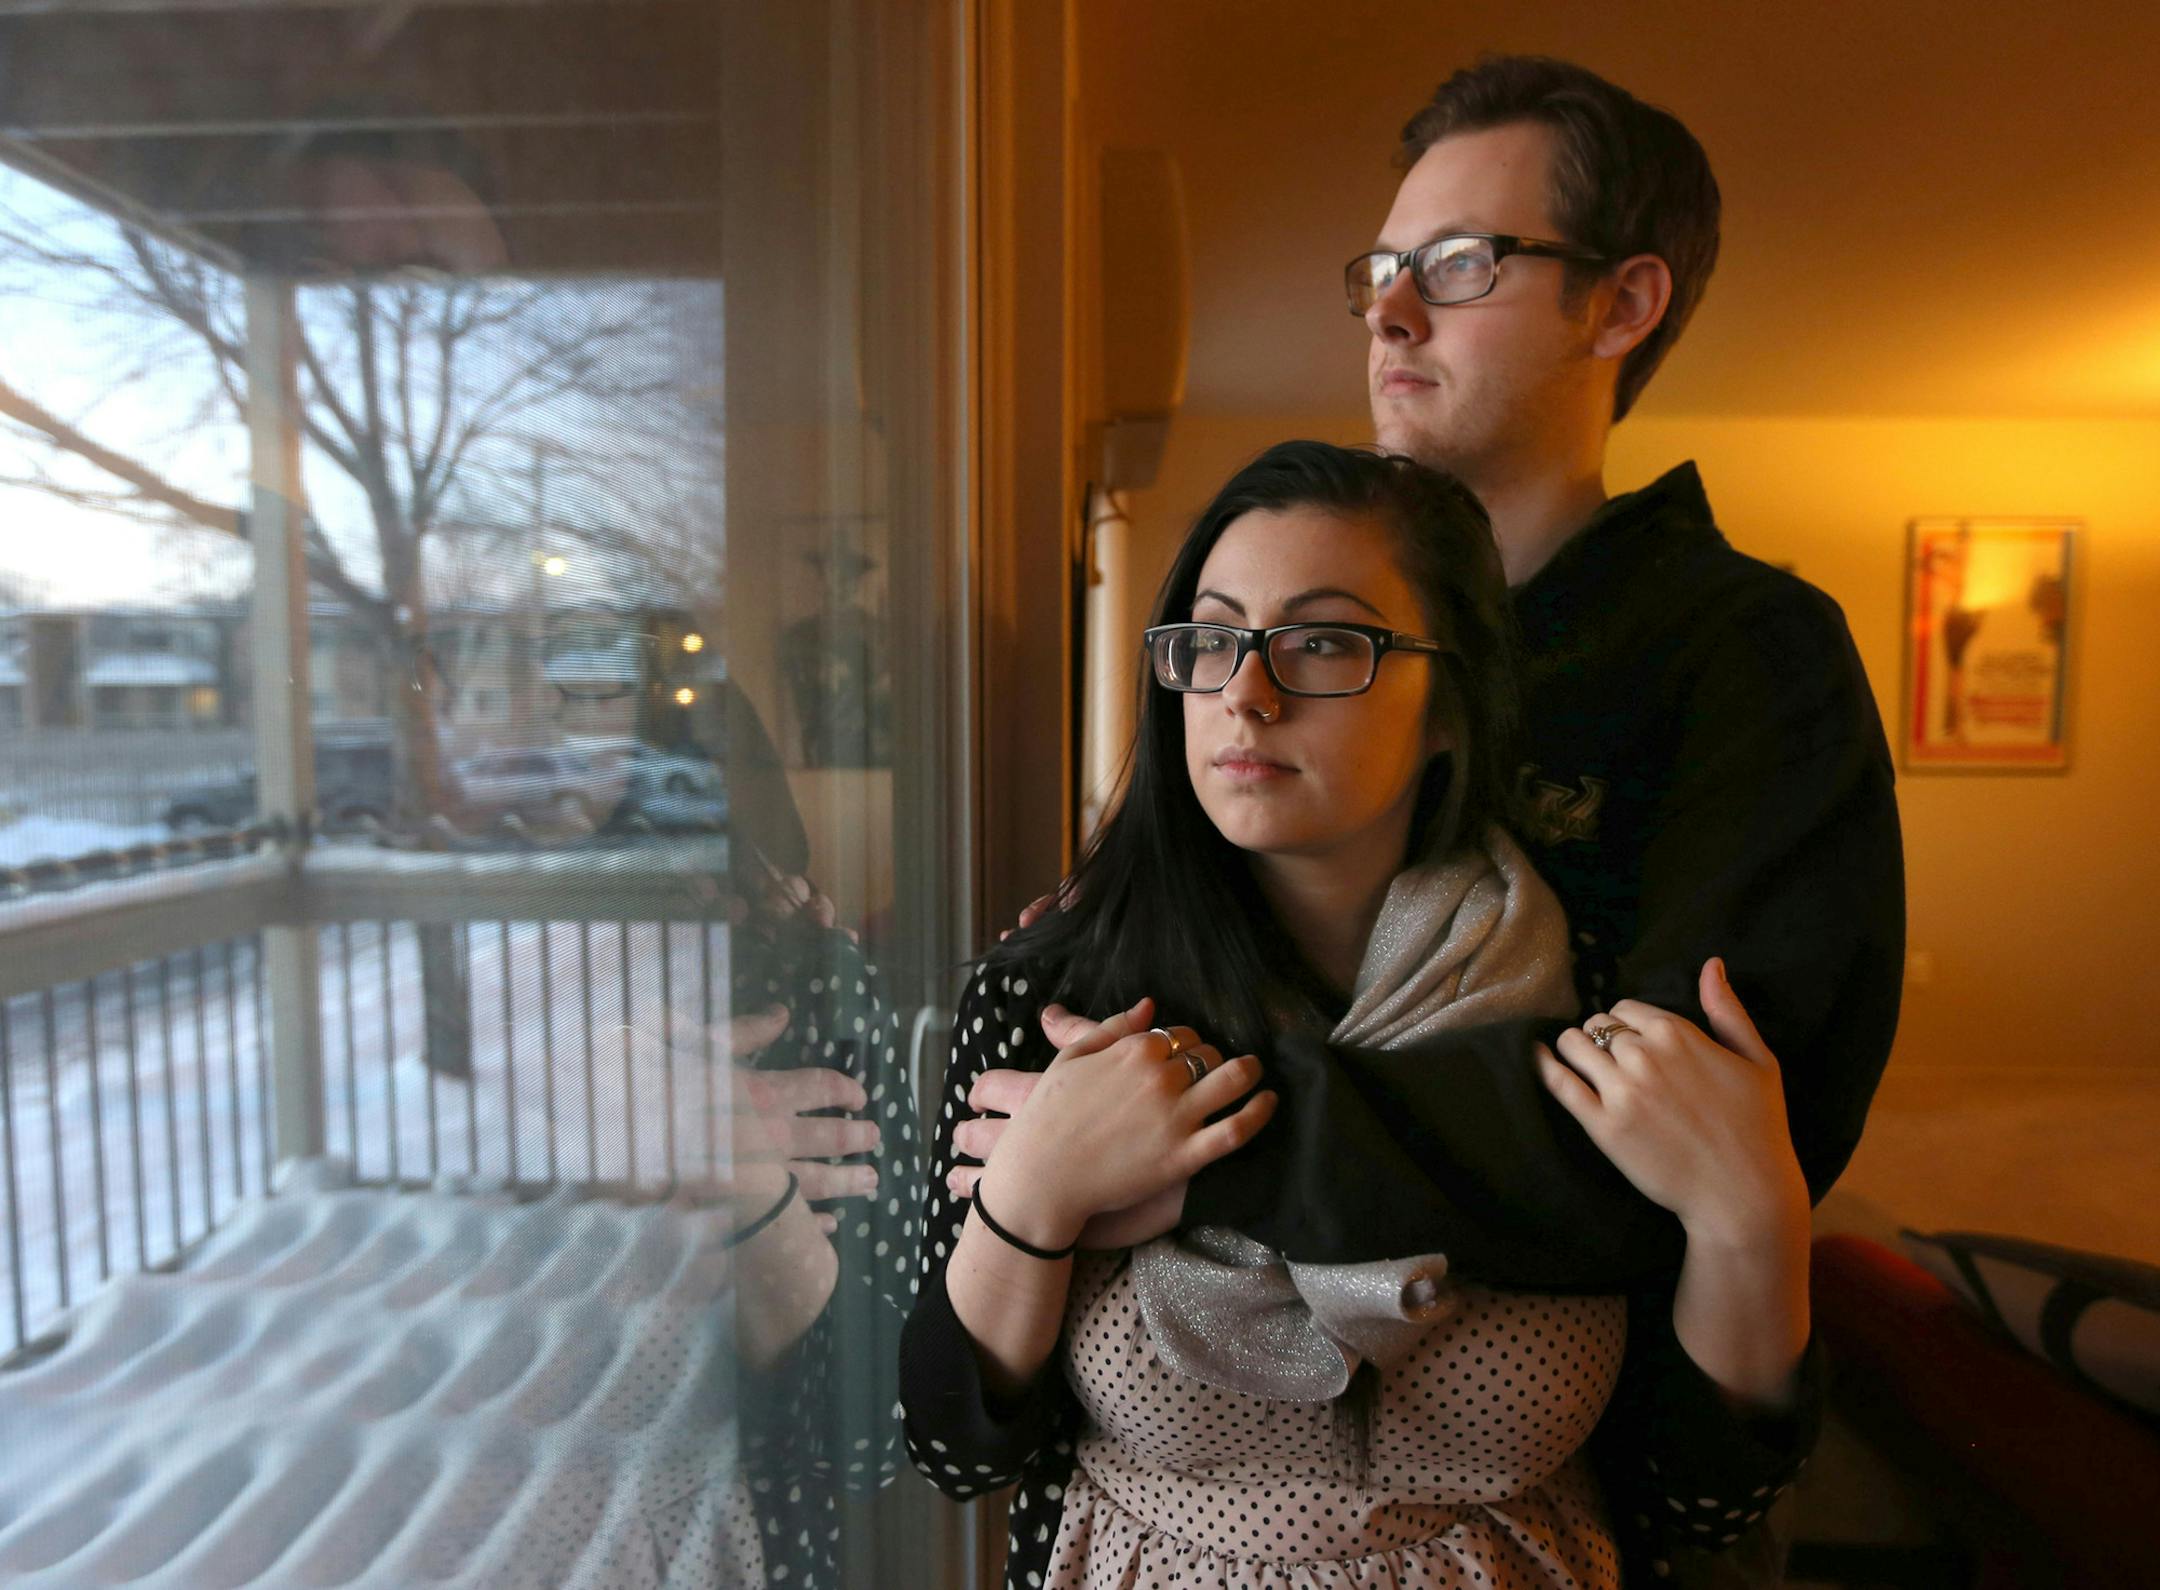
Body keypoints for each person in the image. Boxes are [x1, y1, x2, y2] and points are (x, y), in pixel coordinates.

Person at [960, 55, 1904, 1582]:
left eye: (1461, 264)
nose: (1391, 311)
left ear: (1624, 301)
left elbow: (1671, 1163)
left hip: (1598, 1487)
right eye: (1384, 269)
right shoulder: (1261, 694)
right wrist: (1069, 1022)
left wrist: (1170, 1129)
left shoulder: (1750, 660)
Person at [901, 441, 1817, 1587]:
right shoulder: (1052, 1000)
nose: (1247, 691)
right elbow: (953, 1449)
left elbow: (1707, 1496)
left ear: (1450, 705)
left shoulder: (1599, 1002)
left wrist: (1755, 1228)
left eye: (1324, 641)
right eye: (1215, 637)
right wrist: (1033, 1196)